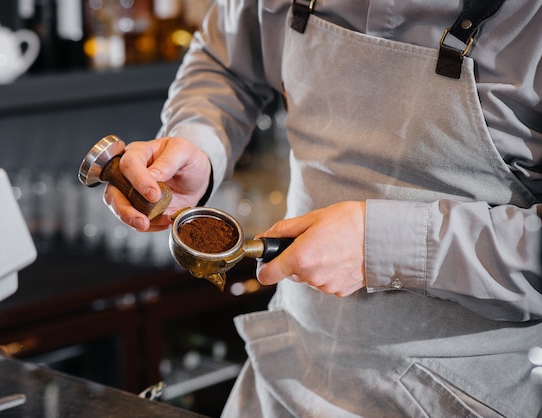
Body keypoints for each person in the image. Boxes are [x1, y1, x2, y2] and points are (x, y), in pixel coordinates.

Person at [103, 1, 542, 416]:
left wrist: (381, 246)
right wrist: (200, 142)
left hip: (462, 396)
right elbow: (225, 63)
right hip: (288, 373)